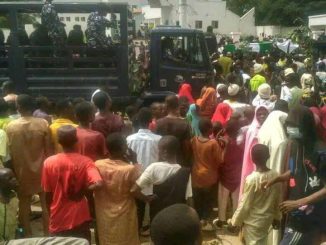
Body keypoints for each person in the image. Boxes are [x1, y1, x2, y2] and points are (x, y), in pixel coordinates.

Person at [265, 106, 324, 245]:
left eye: (294, 126)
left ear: (305, 126)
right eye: (289, 125)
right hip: (294, 214)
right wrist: (278, 178)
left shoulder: (320, 152)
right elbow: (295, 170)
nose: (290, 129)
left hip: (310, 218)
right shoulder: (295, 146)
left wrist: (299, 202)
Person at [42, 125, 103, 242]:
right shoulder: (86, 162)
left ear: (59, 142)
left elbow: (48, 194)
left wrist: (50, 212)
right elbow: (99, 183)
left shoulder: (48, 163)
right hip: (81, 216)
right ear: (76, 141)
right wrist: (83, 190)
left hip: (58, 216)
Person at [6, 95, 52, 237]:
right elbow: (49, 150)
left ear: (18, 107)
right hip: (42, 171)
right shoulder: (43, 124)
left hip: (21, 171)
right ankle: (47, 235)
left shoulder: (10, 127)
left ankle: (28, 236)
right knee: (46, 205)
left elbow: (9, 155)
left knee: (24, 205)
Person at [95, 133, 144, 245]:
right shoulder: (130, 169)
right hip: (125, 212)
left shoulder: (98, 164)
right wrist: (135, 161)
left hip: (103, 213)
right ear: (123, 148)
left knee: (107, 239)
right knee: (127, 239)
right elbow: (137, 187)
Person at [229, 144, 281, 245]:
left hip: (253, 223)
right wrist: (277, 217)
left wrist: (234, 222)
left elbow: (245, 204)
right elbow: (277, 199)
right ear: (268, 156)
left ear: (252, 158)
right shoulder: (275, 176)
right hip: (266, 221)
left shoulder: (252, 179)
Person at [131, 136, 193, 221]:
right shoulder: (185, 172)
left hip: (158, 216)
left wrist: (147, 199)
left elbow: (134, 190)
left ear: (164, 151)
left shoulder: (154, 168)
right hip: (178, 217)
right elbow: (189, 198)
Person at [126, 107, 162, 230]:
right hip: (153, 175)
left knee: (138, 204)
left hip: (134, 175)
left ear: (137, 119)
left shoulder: (129, 139)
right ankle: (148, 227)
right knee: (151, 201)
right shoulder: (158, 139)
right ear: (151, 121)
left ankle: (138, 228)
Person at [191, 118, 223, 230]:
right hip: (209, 177)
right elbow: (220, 160)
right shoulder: (213, 143)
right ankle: (204, 221)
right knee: (208, 200)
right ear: (210, 129)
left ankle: (198, 220)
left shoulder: (194, 140)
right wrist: (226, 146)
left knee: (198, 200)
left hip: (196, 175)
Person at [215, 119, 244, 229]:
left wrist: (221, 133)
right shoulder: (241, 143)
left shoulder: (224, 141)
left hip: (225, 174)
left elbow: (222, 159)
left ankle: (222, 220)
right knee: (236, 198)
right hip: (237, 174)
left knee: (223, 197)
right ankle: (235, 222)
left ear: (226, 129)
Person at [239, 106, 269, 200]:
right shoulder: (252, 130)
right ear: (255, 115)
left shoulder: (270, 128)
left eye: (264, 114)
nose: (262, 116)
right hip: (252, 163)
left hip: (266, 161)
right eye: (259, 114)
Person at [155, 95, 192, 167]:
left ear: (166, 107)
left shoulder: (158, 123)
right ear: (178, 105)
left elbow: (156, 142)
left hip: (162, 160)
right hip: (179, 160)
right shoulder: (185, 123)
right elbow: (187, 146)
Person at [0, 168, 19, 242]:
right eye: (10, 179)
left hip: (11, 239)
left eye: (14, 177)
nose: (14, 180)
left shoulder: (14, 197)